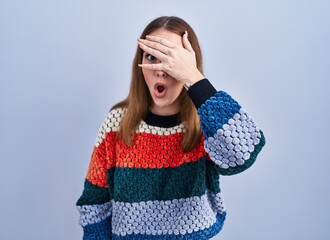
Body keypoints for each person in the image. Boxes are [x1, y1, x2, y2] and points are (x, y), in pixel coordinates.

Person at [76, 16, 265, 240]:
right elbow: (94, 203)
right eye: (152, 57)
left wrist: (194, 78)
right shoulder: (116, 124)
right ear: (140, 64)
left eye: (171, 59)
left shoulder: (209, 122)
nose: (161, 69)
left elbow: (243, 154)